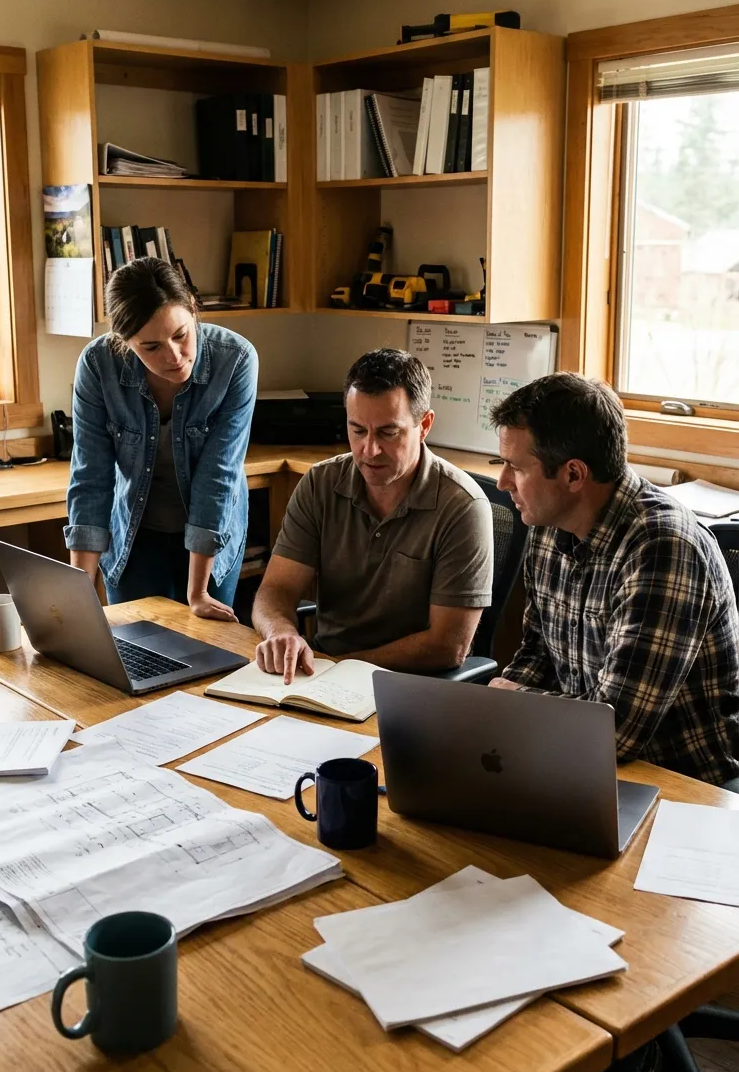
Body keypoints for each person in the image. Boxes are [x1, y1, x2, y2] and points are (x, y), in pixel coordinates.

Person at [488, 371, 739, 789]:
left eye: (515, 467)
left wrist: (512, 702)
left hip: (679, 783)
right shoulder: (549, 523)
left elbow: (616, 730)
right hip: (576, 757)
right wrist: (498, 722)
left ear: (572, 475)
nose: (502, 482)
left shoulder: (664, 548)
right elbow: (539, 655)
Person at [252, 348, 493, 682]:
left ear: (424, 425)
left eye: (388, 432)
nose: (369, 450)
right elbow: (275, 589)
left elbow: (447, 645)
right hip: (322, 671)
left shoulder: (462, 506)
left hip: (409, 684)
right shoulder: (321, 483)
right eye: (358, 430)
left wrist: (342, 667)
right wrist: (281, 631)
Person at [65, 256, 258, 621]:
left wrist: (198, 592)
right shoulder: (97, 364)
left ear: (193, 310)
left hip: (211, 539)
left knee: (209, 652)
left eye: (181, 335)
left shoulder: (236, 360)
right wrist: (78, 593)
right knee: (136, 654)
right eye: (150, 347)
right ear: (125, 343)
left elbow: (218, 477)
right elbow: (91, 480)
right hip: (135, 536)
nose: (173, 356)